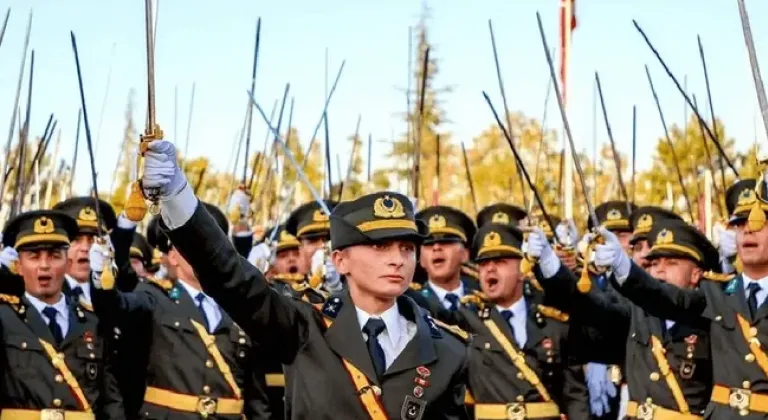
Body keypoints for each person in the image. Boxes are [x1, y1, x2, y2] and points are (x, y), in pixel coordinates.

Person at [146, 139, 470, 419]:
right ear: (340, 260)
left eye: (407, 247)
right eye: (379, 246)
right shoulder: (303, 325)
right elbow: (231, 276)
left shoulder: (448, 349)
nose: (397, 259)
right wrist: (177, 196)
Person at [590, 177, 768, 418]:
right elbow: (664, 297)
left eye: (760, 221)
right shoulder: (714, 292)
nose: (747, 229)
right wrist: (623, 267)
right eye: (739, 223)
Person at [90, 203, 271, 419]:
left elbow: (257, 397)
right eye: (191, 245)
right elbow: (113, 306)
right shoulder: (154, 296)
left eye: (211, 244)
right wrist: (100, 275)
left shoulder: (239, 307)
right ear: (172, 256)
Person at [529, 218, 716, 419]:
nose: (659, 270)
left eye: (672, 262)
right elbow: (590, 305)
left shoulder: (710, 311)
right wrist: (550, 266)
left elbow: (664, 297)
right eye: (654, 263)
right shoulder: (636, 312)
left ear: (696, 274)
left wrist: (623, 266)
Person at [450, 222, 587, 419]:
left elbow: (574, 394)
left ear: (523, 270)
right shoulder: (465, 320)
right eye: (483, 263)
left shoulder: (553, 323)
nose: (490, 269)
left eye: (500, 261)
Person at [0, 209, 124, 419]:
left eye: (55, 256)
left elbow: (110, 400)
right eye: (34, 256)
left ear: (67, 264)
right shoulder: (4, 318)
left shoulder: (92, 321)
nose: (44, 265)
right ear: (18, 266)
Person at [52, 197, 117, 310]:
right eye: (76, 239)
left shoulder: (114, 296)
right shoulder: (43, 294)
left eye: (93, 239)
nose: (85, 248)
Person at [411, 205, 479, 311]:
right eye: (429, 243)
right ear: (421, 259)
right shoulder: (411, 304)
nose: (436, 247)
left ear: (465, 254)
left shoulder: (483, 303)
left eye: (446, 242)